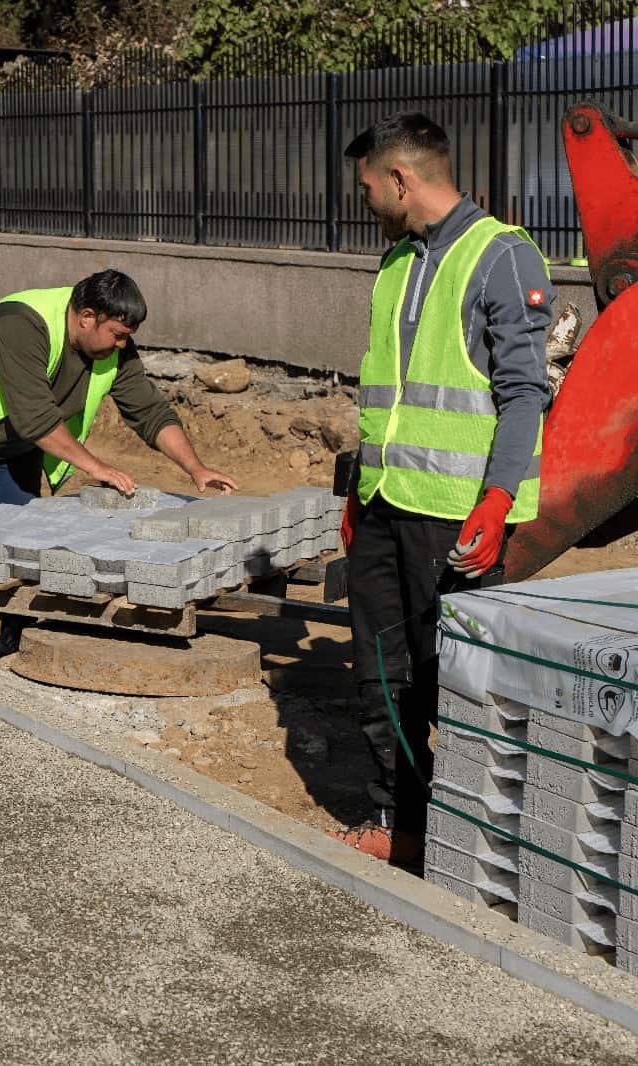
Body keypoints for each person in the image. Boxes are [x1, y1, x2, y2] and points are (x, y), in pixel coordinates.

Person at [333, 113, 552, 865]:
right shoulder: (396, 262)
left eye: (368, 185)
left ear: (401, 179)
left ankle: (468, 833)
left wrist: (495, 501)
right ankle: (400, 817)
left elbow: (525, 393)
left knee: (453, 676)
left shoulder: (499, 257)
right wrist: (355, 495)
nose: (362, 198)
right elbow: (383, 398)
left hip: (456, 518)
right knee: (381, 671)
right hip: (388, 504)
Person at [0, 270, 237, 632]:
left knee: (26, 536)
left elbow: (150, 411)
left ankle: (15, 625)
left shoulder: (114, 348)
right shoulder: (20, 325)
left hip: (15, 442)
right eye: (118, 335)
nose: (123, 345)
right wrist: (97, 467)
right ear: (88, 317)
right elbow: (37, 419)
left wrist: (195, 468)